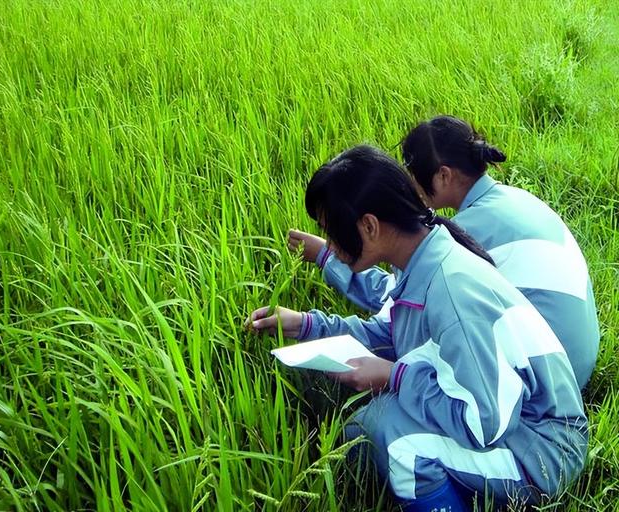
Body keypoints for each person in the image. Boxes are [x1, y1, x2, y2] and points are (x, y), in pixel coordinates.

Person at [248, 145, 587, 511]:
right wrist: (305, 325)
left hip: (540, 450)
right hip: (513, 420)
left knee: (396, 441)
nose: (330, 245)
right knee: (361, 433)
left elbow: (483, 424)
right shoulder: (419, 257)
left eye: (332, 233)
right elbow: (388, 333)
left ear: (369, 226)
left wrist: (394, 377)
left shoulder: (454, 292)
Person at [289, 116, 599, 390]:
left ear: (443, 176)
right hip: (572, 355)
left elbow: (398, 309)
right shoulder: (511, 200)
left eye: (412, 172)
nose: (409, 184)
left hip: (546, 379)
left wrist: (326, 261)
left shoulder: (460, 238)